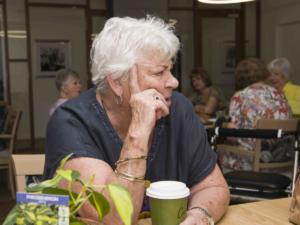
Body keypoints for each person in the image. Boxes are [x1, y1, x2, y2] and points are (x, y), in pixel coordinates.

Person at [44, 16, 229, 225]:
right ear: (117, 82)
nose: (174, 81)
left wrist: (198, 217)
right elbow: (115, 219)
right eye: (160, 72)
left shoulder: (177, 108)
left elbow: (214, 187)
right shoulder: (70, 122)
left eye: (170, 70)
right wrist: (139, 130)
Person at [219, 57, 292, 171]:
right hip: (281, 158)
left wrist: (225, 127)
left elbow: (232, 136)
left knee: (217, 149)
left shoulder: (241, 96)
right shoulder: (279, 94)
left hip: (252, 160)